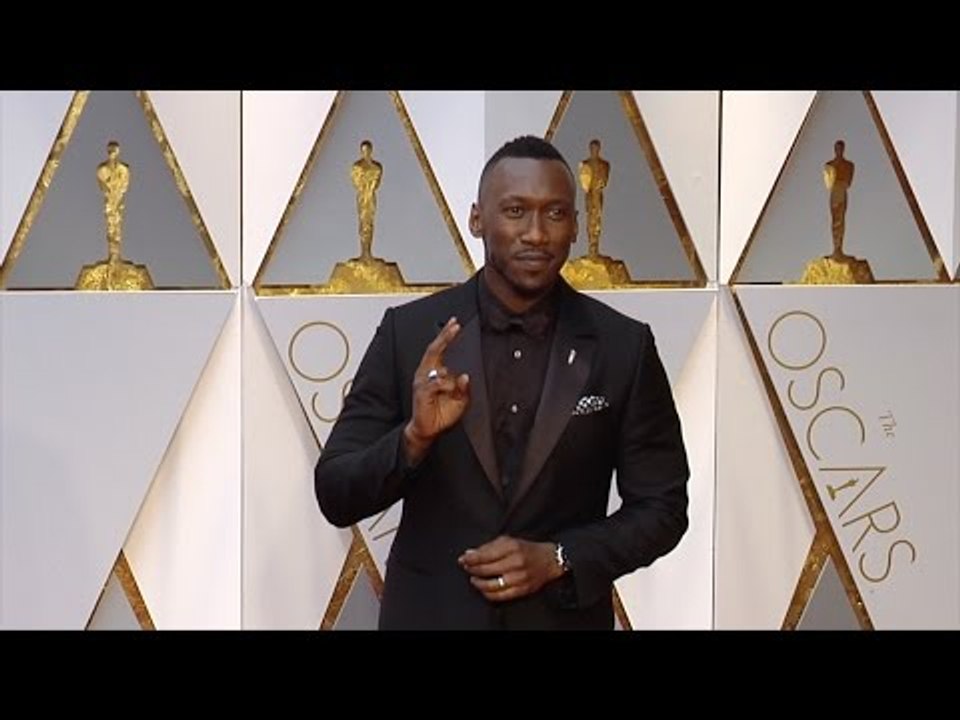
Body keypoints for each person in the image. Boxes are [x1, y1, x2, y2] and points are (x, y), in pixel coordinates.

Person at [315, 135, 689, 630]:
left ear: (576, 226)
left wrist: (560, 557)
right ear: (477, 219)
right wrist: (414, 439)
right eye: (515, 211)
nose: (535, 233)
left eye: (555, 214)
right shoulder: (408, 334)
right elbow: (336, 494)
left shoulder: (623, 346)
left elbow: (663, 507)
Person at [97, 140, 130, 264]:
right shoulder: (102, 169)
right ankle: (112, 255)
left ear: (118, 152)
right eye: (110, 151)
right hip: (110, 201)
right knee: (111, 226)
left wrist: (118, 193)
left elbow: (125, 184)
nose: (112, 153)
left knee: (117, 226)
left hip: (118, 200)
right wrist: (109, 190)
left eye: (114, 151)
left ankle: (116, 256)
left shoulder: (124, 169)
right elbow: (102, 184)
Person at [350, 139, 383, 260]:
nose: (366, 153)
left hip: (370, 196)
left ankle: (368, 253)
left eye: (368, 150)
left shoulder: (376, 167)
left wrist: (369, 187)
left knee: (369, 222)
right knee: (363, 222)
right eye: (363, 151)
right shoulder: (357, 166)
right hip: (362, 196)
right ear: (361, 151)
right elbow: (355, 181)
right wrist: (364, 186)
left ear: (371, 150)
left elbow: (376, 181)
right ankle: (364, 252)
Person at [578, 138, 610, 257]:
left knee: (597, 219)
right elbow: (584, 183)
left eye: (596, 148)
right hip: (590, 194)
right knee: (590, 219)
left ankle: (595, 246)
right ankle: (591, 247)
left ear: (599, 149)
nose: (594, 151)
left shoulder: (605, 165)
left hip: (598, 194)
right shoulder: (585, 164)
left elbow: (604, 181)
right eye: (592, 148)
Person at [823, 140, 854, 258]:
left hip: (842, 193)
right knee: (835, 219)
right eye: (837, 148)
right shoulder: (829, 165)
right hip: (834, 193)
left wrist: (840, 183)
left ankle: (839, 248)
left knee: (841, 219)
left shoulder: (849, 165)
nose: (839, 151)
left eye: (840, 148)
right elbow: (828, 183)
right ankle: (835, 248)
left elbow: (848, 182)